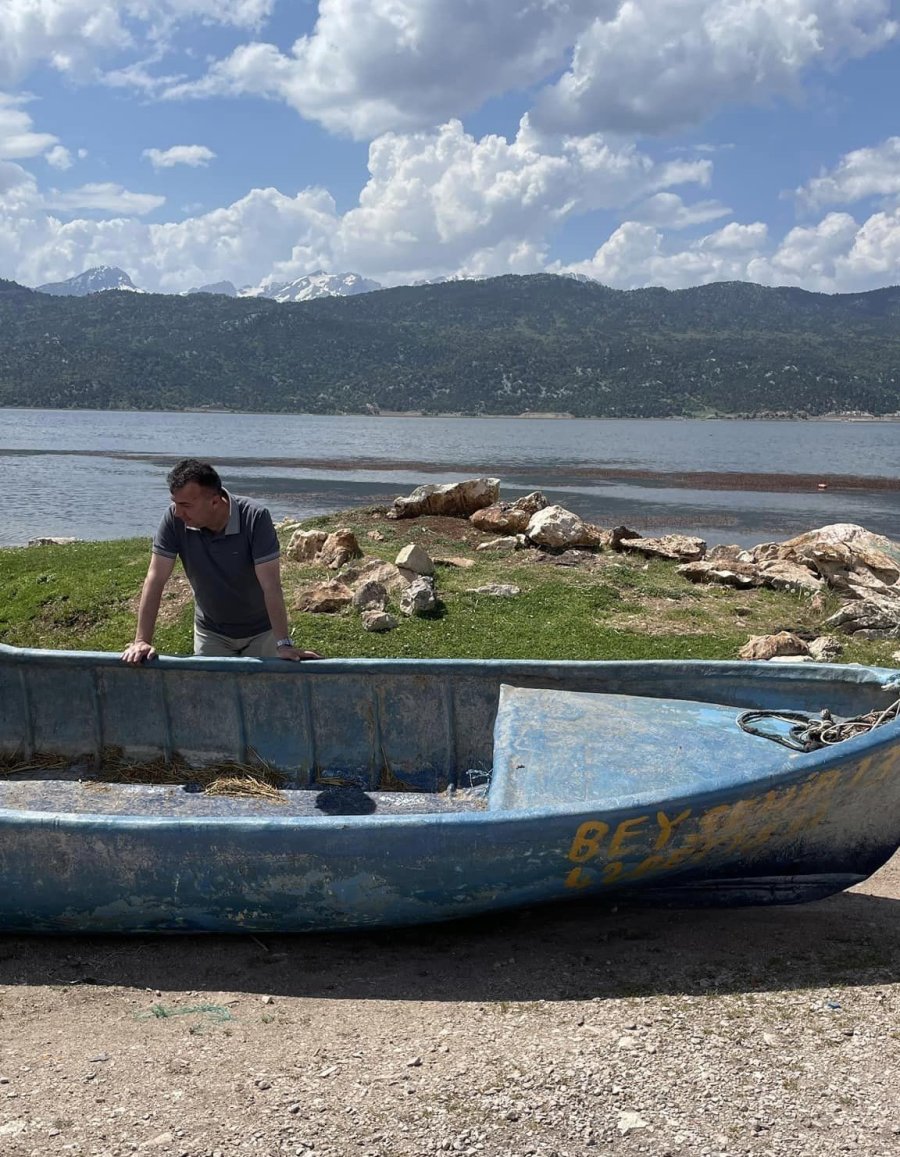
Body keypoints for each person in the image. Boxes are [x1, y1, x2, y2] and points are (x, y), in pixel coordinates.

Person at [122, 459, 322, 664]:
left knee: (263, 693)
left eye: (185, 505)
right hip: (211, 632)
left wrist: (283, 644)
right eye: (175, 503)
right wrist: (141, 640)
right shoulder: (174, 520)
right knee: (211, 695)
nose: (178, 512)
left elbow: (271, 585)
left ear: (215, 502)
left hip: (262, 632)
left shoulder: (255, 517)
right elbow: (155, 579)